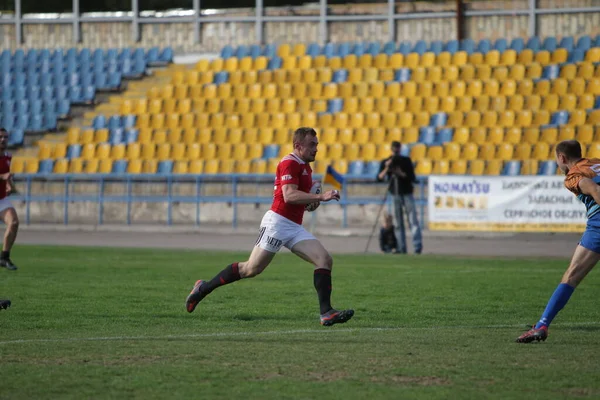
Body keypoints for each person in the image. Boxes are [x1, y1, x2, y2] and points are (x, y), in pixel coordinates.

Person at [185, 127, 354, 326]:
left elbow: (300, 200)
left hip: (293, 226)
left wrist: (311, 202)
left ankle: (326, 313)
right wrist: (320, 196)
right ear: (298, 146)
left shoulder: (305, 167)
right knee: (251, 269)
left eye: (317, 144)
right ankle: (202, 288)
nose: (316, 148)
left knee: (324, 259)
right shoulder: (289, 162)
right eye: (312, 145)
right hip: (277, 223)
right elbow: (289, 196)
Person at [517, 140, 600, 343]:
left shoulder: (573, 176)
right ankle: (541, 325)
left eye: (557, 160)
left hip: (598, 227)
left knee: (571, 277)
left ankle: (543, 325)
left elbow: (594, 190)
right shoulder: (596, 162)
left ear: (562, 158)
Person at [376, 141, 422, 254]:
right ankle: (401, 247)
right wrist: (387, 168)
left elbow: (412, 177)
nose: (395, 152)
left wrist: (400, 173)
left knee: (412, 220)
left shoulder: (406, 161)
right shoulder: (386, 161)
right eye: (394, 149)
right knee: (398, 222)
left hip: (406, 192)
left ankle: (417, 247)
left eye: (397, 149)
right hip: (394, 193)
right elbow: (379, 178)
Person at [0, 128, 18, 271]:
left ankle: (4, 257)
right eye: (0, 137)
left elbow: (6, 175)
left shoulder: (7, 156)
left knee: (14, 222)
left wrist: (9, 185)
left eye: (5, 137)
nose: (3, 139)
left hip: (1, 199)